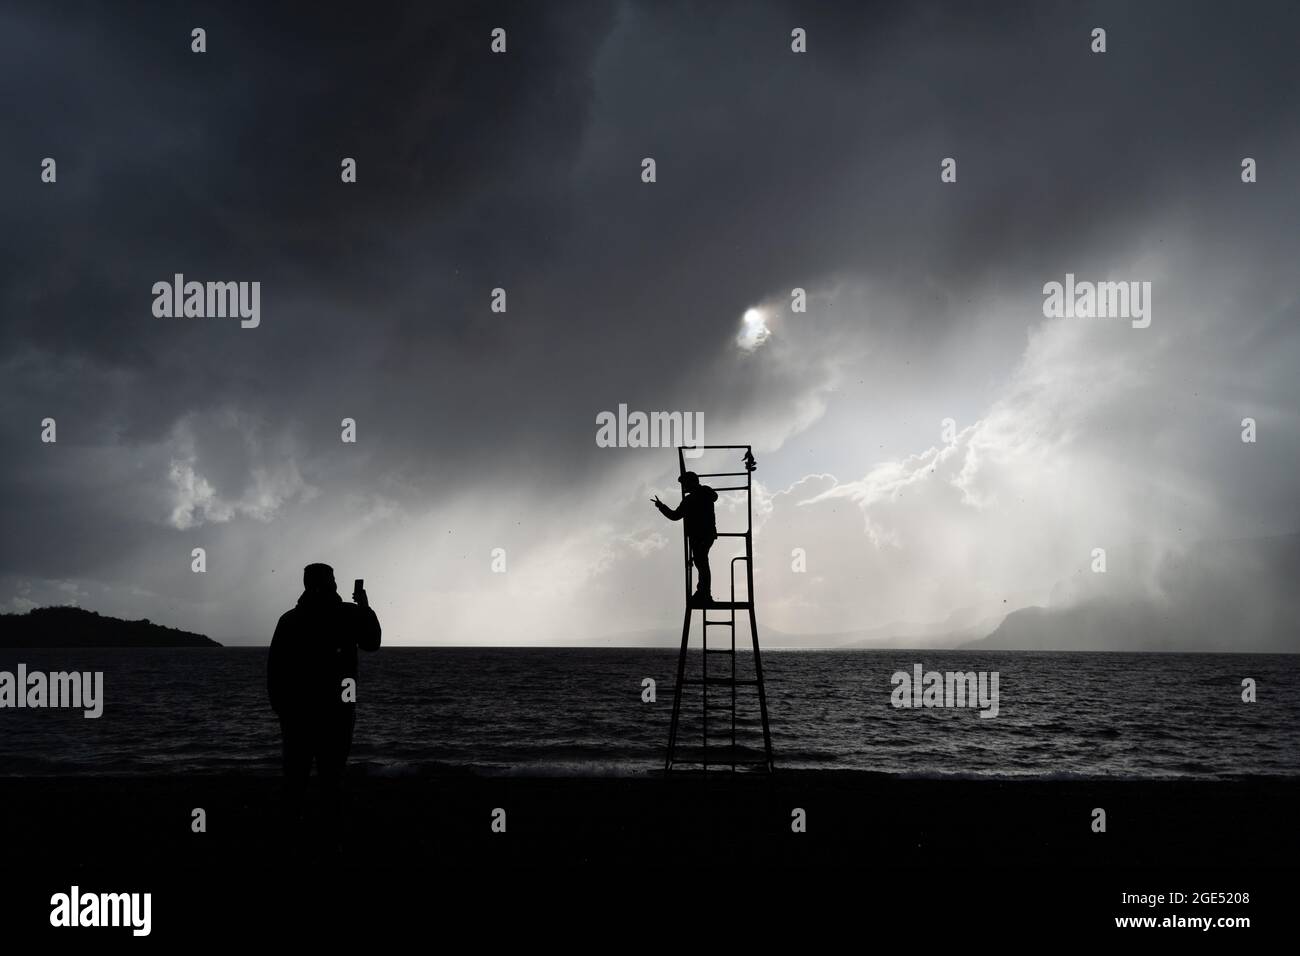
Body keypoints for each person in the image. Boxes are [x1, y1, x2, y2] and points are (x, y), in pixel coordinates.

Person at [267, 563, 381, 834]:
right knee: (332, 778)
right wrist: (365, 608)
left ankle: (292, 832)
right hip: (337, 711)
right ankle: (329, 835)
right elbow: (372, 643)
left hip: (297, 712)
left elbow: (275, 668)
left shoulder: (289, 619)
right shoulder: (347, 614)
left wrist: (280, 707)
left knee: (295, 778)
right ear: (331, 583)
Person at [653, 471, 720, 606]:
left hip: (700, 536)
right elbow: (714, 496)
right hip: (705, 535)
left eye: (684, 484)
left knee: (701, 563)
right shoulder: (703, 493)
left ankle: (704, 594)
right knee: (701, 563)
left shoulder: (691, 499)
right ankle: (703, 593)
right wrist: (662, 507)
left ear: (691, 482)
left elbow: (675, 516)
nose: (683, 487)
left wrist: (661, 507)